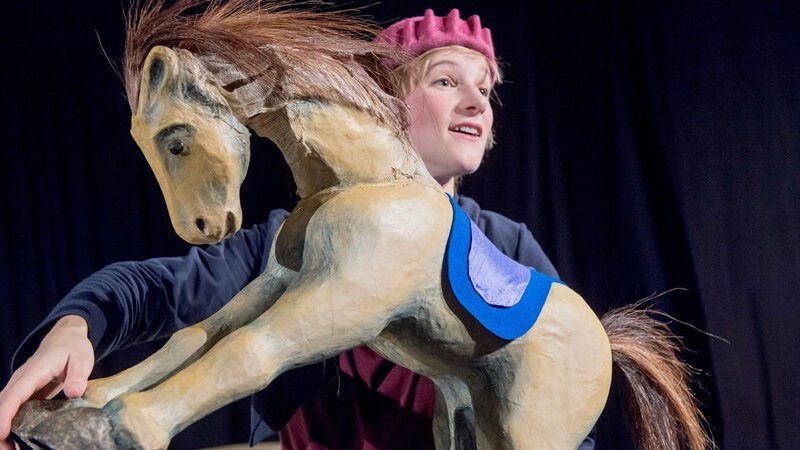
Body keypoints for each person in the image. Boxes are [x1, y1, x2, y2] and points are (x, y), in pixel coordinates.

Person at [0, 8, 595, 450]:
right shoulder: (294, 236)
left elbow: (562, 404)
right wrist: (75, 327)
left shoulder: (511, 249)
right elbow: (157, 290)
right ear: (384, 100)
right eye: (444, 82)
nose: (476, 102)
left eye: (485, 89)